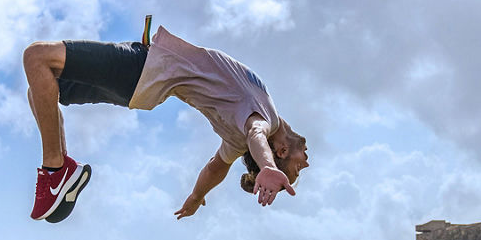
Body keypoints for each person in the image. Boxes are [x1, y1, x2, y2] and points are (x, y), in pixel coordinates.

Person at [23, 16, 309, 223]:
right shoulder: (239, 135)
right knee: (40, 89)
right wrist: (196, 198)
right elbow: (215, 168)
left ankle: (55, 170)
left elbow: (256, 134)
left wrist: (268, 167)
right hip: (140, 86)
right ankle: (62, 171)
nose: (306, 160)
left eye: (297, 166)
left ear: (282, 151)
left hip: (143, 69)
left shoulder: (262, 120)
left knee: (37, 57)